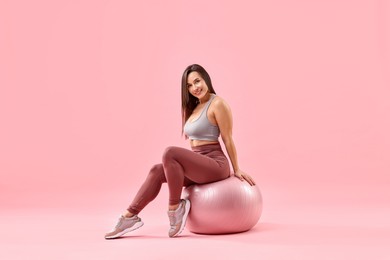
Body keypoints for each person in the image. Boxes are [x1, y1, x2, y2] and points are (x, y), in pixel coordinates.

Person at [105, 64, 256, 239]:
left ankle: (174, 208)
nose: (195, 88)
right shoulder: (193, 107)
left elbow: (227, 138)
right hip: (199, 163)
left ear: (206, 78)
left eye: (197, 81)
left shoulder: (218, 104)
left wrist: (236, 169)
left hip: (215, 164)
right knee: (156, 170)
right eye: (189, 86)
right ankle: (129, 217)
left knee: (170, 152)